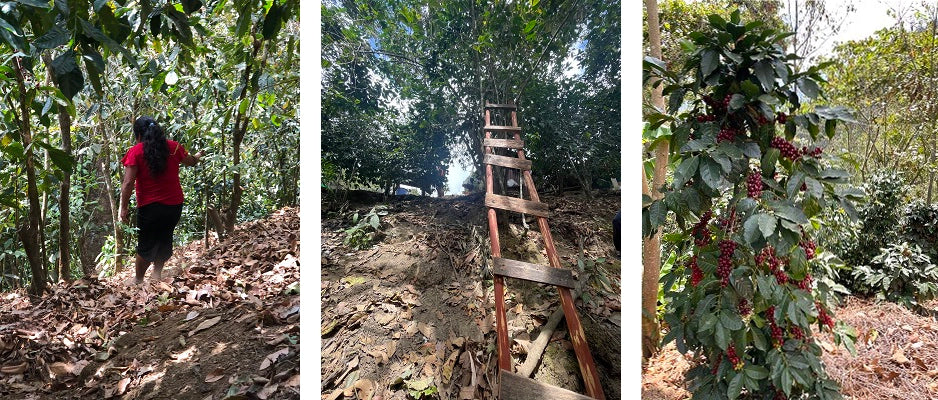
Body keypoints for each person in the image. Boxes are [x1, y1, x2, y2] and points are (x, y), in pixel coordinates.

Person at [118, 117, 203, 284]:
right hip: (174, 205)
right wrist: (198, 155)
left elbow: (128, 183)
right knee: (164, 238)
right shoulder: (173, 147)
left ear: (139, 136)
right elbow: (191, 161)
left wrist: (123, 207)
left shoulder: (136, 152)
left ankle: (138, 279)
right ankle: (157, 275)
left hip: (150, 207)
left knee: (146, 243)